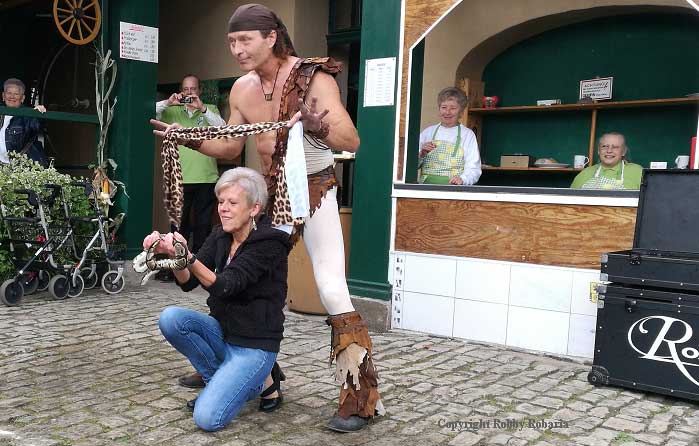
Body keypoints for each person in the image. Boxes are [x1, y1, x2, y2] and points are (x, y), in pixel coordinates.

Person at [150, 3, 383, 433]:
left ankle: (360, 397)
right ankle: (237, 367)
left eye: (245, 41)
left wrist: (318, 127)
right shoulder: (242, 89)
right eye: (232, 42)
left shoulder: (314, 78)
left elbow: (351, 139)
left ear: (271, 37)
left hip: (312, 187)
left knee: (331, 288)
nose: (237, 50)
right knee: (237, 274)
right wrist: (185, 138)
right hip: (270, 192)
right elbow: (228, 148)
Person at [144, 167, 291, 432]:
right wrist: (173, 254)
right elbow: (188, 282)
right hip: (224, 332)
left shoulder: (270, 243)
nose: (223, 208)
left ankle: (262, 381)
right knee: (172, 319)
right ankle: (223, 380)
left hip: (254, 344)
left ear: (254, 209)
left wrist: (187, 255)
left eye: (232, 203)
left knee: (207, 418)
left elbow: (225, 286)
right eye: (221, 202)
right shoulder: (220, 234)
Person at [155, 74, 226, 282]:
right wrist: (169, 101)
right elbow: (147, 112)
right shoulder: (172, 110)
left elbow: (223, 128)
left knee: (203, 225)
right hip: (179, 177)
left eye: (193, 89)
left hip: (206, 177)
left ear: (199, 91)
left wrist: (202, 108)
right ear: (180, 91)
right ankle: (176, 269)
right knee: (178, 226)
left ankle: (201, 270)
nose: (189, 93)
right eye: (186, 89)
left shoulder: (209, 109)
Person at [418, 87, 481, 185]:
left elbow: (474, 168)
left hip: (453, 191)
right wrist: (421, 154)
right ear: (439, 109)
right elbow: (409, 166)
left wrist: (463, 179)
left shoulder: (468, 135)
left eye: (453, 108)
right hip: (426, 189)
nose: (447, 112)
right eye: (444, 107)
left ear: (461, 111)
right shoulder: (428, 132)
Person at [570, 132, 643, 190]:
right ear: (599, 150)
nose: (609, 151)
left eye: (615, 147)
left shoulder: (638, 172)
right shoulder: (585, 173)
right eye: (604, 146)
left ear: (623, 151)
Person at [1, 78, 47, 166]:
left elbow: (37, 125)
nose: (12, 96)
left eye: (16, 94)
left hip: (21, 169)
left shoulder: (27, 116)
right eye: (9, 93)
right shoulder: (1, 112)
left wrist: (38, 113)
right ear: (3, 96)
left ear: (22, 98)